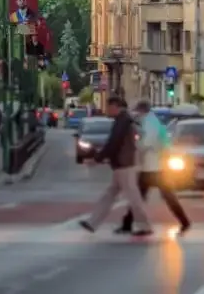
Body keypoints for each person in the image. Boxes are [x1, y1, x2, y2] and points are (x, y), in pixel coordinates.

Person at [79, 96, 153, 236]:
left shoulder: (123, 121)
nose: (107, 110)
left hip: (124, 164)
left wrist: (98, 158)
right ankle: (92, 222)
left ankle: (145, 225)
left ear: (115, 106)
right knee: (111, 194)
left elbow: (114, 143)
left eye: (108, 107)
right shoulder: (123, 119)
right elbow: (114, 143)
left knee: (133, 197)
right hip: (122, 164)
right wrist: (101, 158)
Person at [118, 101, 190, 234]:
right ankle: (128, 223)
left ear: (142, 110)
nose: (136, 114)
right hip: (153, 167)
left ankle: (131, 224)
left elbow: (147, 143)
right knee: (147, 197)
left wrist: (135, 145)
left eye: (137, 111)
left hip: (154, 167)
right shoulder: (150, 122)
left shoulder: (150, 123)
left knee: (145, 197)